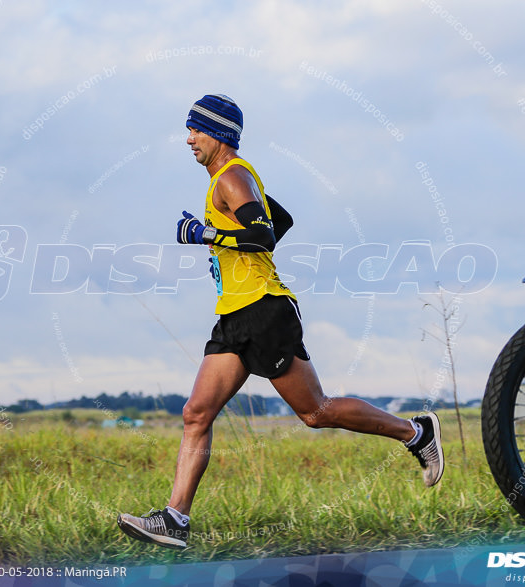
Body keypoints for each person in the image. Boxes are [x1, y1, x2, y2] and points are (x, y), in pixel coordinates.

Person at [117, 94, 444, 549]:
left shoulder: (231, 177)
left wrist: (203, 234)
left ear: (219, 133)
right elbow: (282, 219)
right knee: (196, 413)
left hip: (263, 310)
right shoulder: (234, 178)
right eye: (188, 129)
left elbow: (264, 233)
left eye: (195, 129)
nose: (188, 138)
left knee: (315, 412)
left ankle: (415, 432)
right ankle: (176, 519)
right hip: (236, 313)